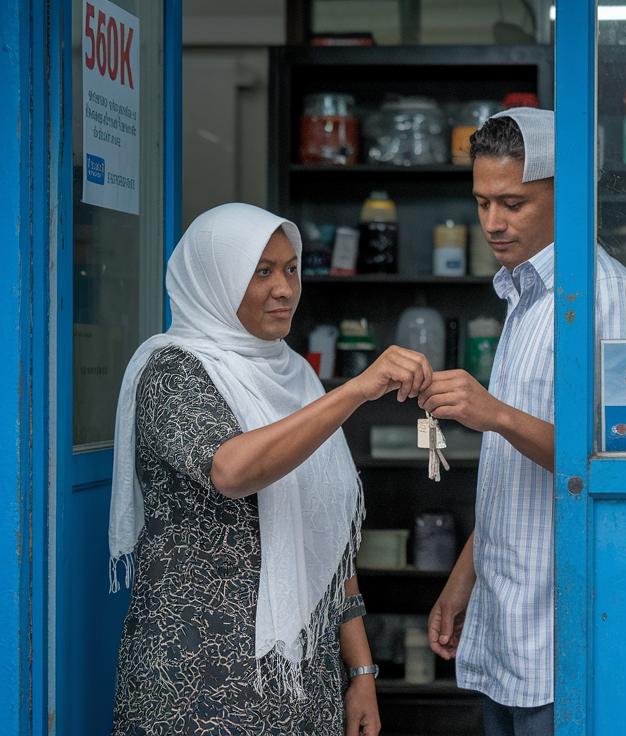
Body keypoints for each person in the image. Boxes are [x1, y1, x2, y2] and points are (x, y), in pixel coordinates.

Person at [108, 203, 434, 735]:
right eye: (261, 271)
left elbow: (328, 539)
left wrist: (362, 669)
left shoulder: (293, 378)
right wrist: (355, 390)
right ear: (215, 278)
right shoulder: (173, 369)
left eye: (290, 268)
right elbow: (233, 469)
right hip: (199, 681)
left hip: (302, 680)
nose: (284, 288)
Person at [418, 109, 626, 736]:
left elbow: (622, 467)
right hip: (508, 624)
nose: (493, 223)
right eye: (482, 202)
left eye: (513, 203)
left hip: (565, 637)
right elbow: (514, 473)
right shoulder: (523, 295)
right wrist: (462, 577)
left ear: (566, 195)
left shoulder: (607, 299)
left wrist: (492, 413)